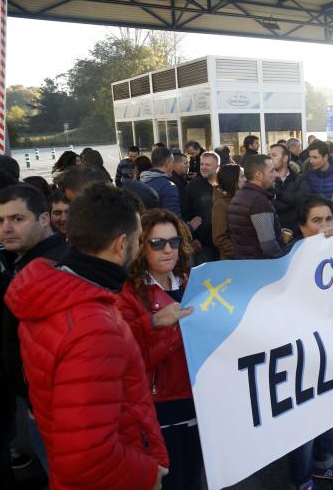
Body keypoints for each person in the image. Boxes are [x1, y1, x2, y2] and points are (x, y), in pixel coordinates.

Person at [5, 183, 169, 490]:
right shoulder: (91, 325)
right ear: (122, 244)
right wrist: (147, 474)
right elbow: (86, 457)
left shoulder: (55, 292)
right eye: (138, 238)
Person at [116, 209, 200, 490]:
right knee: (173, 481)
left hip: (198, 398)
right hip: (160, 406)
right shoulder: (127, 293)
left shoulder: (191, 282)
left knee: (195, 476)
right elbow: (132, 360)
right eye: (157, 243)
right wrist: (166, 327)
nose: (168, 250)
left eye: (174, 242)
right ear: (140, 245)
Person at [285, 195, 333, 488]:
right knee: (303, 424)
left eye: (329, 219)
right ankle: (301, 481)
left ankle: (323, 463)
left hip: (331, 347)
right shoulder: (289, 261)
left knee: (327, 411)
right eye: (316, 220)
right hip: (301, 355)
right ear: (302, 228)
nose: (325, 226)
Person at [0, 185, 70, 472]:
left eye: (17, 219)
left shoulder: (54, 267)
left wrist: (33, 397)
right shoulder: (24, 262)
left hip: (55, 410)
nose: (6, 229)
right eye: (0, 221)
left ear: (43, 219)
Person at [228, 154, 286, 259]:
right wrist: (282, 259)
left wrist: (277, 231)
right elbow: (268, 244)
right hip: (260, 266)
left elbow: (248, 232)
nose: (276, 175)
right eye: (272, 171)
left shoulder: (240, 194)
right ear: (258, 175)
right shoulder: (258, 201)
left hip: (246, 263)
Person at [183, 151, 220, 264]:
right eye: (201, 164)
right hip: (203, 245)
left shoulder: (225, 184)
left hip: (224, 243)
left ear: (217, 167)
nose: (203, 167)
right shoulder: (192, 187)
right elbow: (185, 213)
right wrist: (192, 238)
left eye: (207, 165)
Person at [269, 144, 310, 234]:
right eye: (269, 155)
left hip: (297, 232)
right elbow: (269, 205)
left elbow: (302, 200)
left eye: (274, 155)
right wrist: (291, 203)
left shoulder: (299, 179)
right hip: (274, 232)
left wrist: (278, 194)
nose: (270, 159)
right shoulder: (267, 181)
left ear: (285, 158)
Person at [212, 164, 245, 260]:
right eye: (242, 177)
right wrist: (240, 253)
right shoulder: (221, 204)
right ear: (233, 180)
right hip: (232, 261)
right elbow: (219, 238)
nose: (246, 179)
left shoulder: (239, 197)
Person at [140, 147, 182, 216]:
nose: (173, 165)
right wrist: (189, 226)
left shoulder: (140, 182)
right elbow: (173, 217)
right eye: (172, 162)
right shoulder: (168, 187)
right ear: (167, 163)